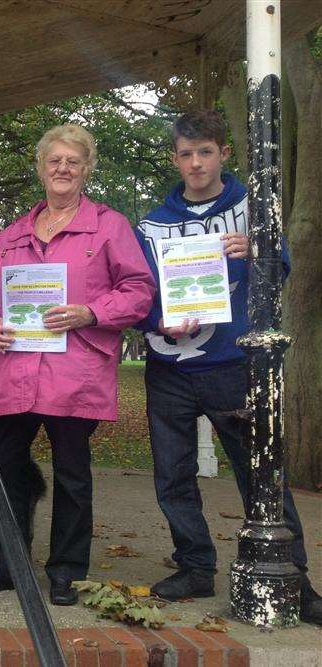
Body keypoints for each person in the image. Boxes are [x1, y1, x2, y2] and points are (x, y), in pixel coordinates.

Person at [134, 110, 321, 623]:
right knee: (172, 475)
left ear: (224, 153)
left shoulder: (252, 206)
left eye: (206, 152)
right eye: (186, 153)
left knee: (260, 473)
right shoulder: (153, 224)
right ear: (175, 158)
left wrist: (254, 253)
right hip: (169, 366)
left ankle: (293, 575)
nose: (196, 163)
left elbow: (279, 269)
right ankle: (195, 565)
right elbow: (136, 291)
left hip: (234, 362)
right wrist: (157, 321)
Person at [0, 124, 155, 605]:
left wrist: (90, 312)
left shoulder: (110, 226)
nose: (63, 168)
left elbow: (139, 290)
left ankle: (66, 571)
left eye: (73, 161)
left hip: (75, 373)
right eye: (54, 160)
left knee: (73, 475)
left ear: (86, 169)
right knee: (5, 471)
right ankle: (6, 565)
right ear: (40, 168)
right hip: (14, 372)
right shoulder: (12, 233)